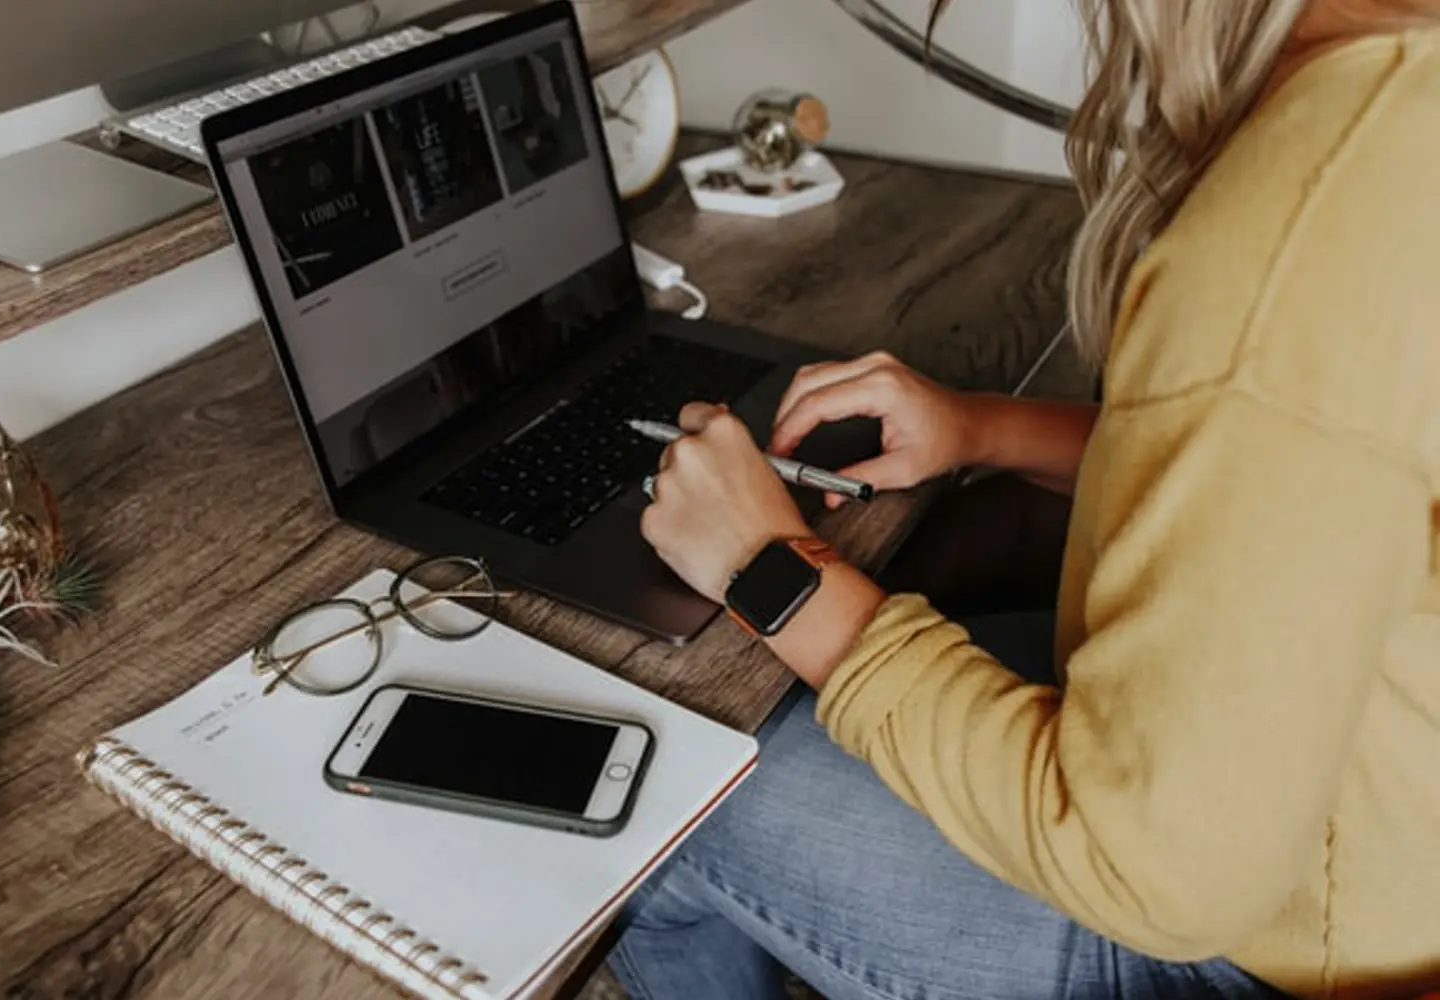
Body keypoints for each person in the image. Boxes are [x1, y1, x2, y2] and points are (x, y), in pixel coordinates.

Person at [611, 0, 1440, 998]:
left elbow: (1153, 875)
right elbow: (1298, 480)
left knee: (650, 773)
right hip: (1371, 848)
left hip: (1260, 954)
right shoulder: (1402, 115)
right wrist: (979, 428)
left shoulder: (1300, 229)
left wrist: (769, 568)